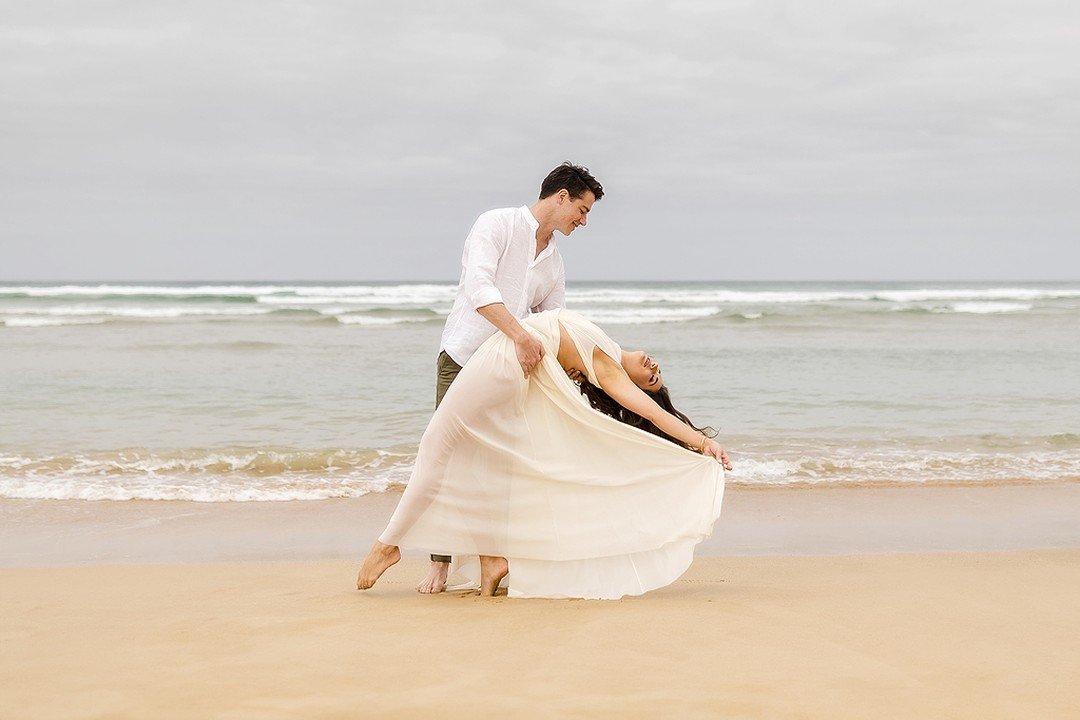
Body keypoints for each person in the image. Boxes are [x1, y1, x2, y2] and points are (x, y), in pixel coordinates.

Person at [357, 308, 731, 600]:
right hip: (511, 363)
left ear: (636, 388)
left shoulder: (610, 371)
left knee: (436, 445)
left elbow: (653, 413)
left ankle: (387, 545)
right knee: (474, 458)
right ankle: (491, 560)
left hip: (504, 360)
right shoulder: (607, 351)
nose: (653, 368)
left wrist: (702, 443)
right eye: (657, 369)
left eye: (651, 381)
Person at [414, 162, 603, 594]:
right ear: (561, 197)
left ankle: (494, 561)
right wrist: (519, 334)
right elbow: (478, 290)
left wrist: (581, 373)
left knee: (500, 465)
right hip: (462, 358)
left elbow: (554, 322)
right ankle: (439, 564)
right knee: (444, 459)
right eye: (582, 209)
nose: (584, 221)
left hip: (508, 372)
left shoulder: (554, 262)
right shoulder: (495, 224)